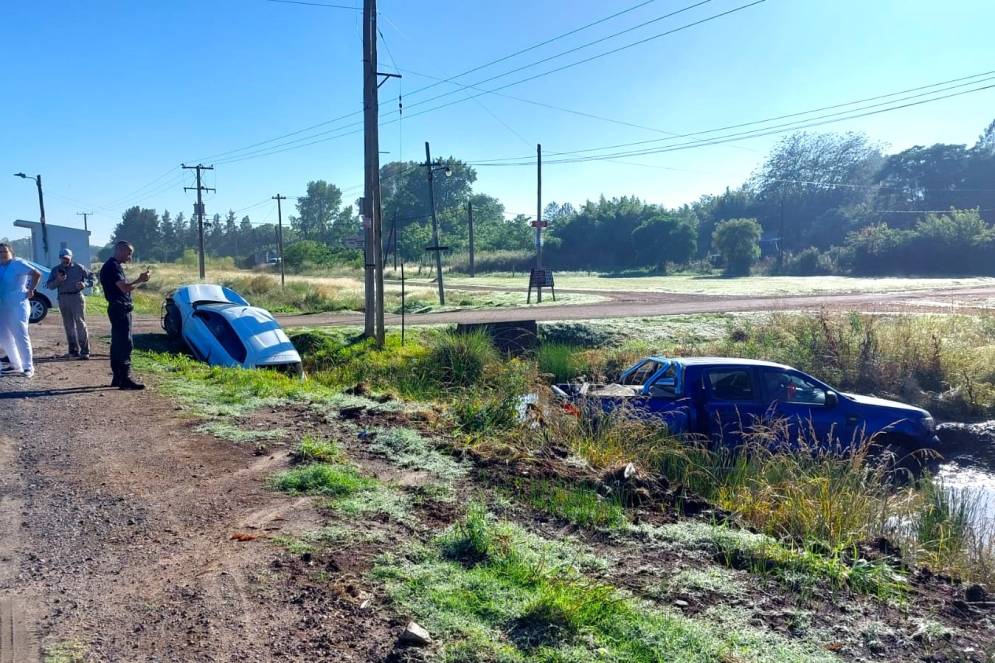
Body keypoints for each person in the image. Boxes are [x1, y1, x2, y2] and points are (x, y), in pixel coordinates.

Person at [99, 241, 150, 390]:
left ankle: (117, 377)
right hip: (120, 308)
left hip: (116, 307)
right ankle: (125, 378)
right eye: (129, 253)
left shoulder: (111, 265)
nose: (130, 257)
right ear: (120, 251)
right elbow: (124, 288)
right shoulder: (113, 267)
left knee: (117, 342)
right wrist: (140, 280)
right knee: (125, 343)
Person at [0, 243, 42, 378]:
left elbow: (36, 273)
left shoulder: (18, 263)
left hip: (18, 304)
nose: (2, 254)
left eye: (5, 251)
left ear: (11, 252)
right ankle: (15, 364)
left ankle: (28, 367)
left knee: (20, 335)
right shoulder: (0, 266)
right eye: (0, 252)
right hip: (3, 305)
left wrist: (31, 289)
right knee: (4, 337)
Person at [48, 247, 94, 359]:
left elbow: (93, 278)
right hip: (63, 298)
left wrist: (85, 284)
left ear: (71, 257)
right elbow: (50, 286)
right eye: (63, 258)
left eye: (67, 258)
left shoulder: (79, 267)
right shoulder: (55, 270)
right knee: (68, 325)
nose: (65, 260)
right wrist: (58, 280)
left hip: (76, 297)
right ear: (59, 258)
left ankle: (84, 351)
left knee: (80, 323)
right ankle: (73, 351)